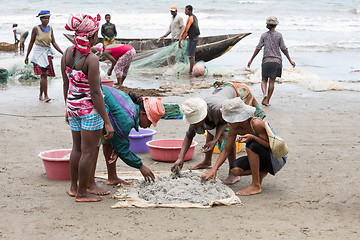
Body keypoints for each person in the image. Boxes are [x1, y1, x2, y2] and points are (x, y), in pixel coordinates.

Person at [61, 13, 114, 202]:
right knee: (89, 151)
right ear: (90, 36)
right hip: (89, 112)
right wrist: (107, 122)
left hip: (73, 106)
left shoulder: (67, 53)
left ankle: (74, 187)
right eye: (96, 34)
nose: (97, 38)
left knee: (76, 148)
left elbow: (66, 85)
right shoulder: (91, 60)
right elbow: (96, 94)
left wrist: (68, 109)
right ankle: (82, 194)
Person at [171, 81, 266, 185]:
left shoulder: (218, 109)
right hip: (221, 98)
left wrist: (216, 140)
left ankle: (233, 173)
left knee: (228, 134)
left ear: (202, 116)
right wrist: (180, 158)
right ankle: (207, 161)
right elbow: (189, 136)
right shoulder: (196, 111)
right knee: (210, 126)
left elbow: (223, 123)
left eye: (196, 122)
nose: (194, 125)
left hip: (240, 93)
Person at [86, 88, 165, 195]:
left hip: (100, 106)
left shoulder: (131, 108)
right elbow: (123, 149)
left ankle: (112, 177)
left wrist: (117, 147)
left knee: (109, 139)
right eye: (150, 121)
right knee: (94, 144)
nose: (149, 126)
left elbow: (119, 139)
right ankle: (89, 184)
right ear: (142, 114)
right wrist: (141, 166)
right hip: (89, 104)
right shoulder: (126, 118)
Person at [201, 97, 286, 196]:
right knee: (235, 170)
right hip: (260, 157)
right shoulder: (234, 128)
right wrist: (213, 169)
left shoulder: (256, 123)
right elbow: (226, 150)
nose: (228, 122)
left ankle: (256, 185)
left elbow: (269, 146)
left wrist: (252, 137)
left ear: (238, 117)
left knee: (251, 145)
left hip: (275, 159)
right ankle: (261, 171)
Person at [247, 16, 295, 107]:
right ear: (276, 25)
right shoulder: (279, 35)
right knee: (271, 82)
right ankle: (267, 100)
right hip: (277, 61)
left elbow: (258, 48)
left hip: (266, 61)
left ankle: (264, 94)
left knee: (264, 80)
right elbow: (284, 49)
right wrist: (290, 60)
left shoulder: (263, 35)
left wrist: (251, 60)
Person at [25, 10, 63, 102]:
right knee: (44, 75)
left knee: (44, 75)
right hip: (38, 53)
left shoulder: (50, 29)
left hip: (47, 53)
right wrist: (27, 56)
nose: (46, 20)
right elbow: (31, 42)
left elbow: (53, 42)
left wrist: (62, 52)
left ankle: (41, 95)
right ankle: (46, 96)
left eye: (48, 18)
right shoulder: (36, 28)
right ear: (41, 19)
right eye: (44, 18)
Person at [178, 5, 200, 75]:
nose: (185, 12)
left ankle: (191, 72)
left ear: (190, 11)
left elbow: (186, 29)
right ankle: (192, 71)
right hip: (194, 37)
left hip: (193, 38)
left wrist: (180, 40)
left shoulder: (190, 18)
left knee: (191, 56)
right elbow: (191, 28)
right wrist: (185, 36)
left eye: (186, 10)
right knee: (191, 55)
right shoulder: (194, 17)